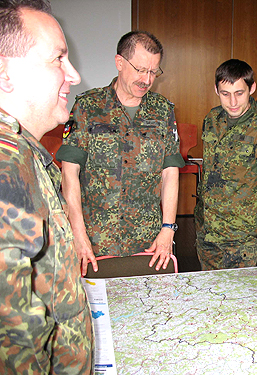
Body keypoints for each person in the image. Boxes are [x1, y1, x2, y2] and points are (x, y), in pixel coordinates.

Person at [0, 0, 93, 373]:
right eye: (58, 59)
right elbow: (13, 346)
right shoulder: (6, 167)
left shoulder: (25, 155)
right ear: (5, 71)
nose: (74, 75)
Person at [57, 31, 185, 276]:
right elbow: (69, 173)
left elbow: (170, 173)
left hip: (149, 241)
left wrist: (168, 228)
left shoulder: (162, 111)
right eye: (140, 69)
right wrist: (78, 233)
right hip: (95, 241)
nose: (146, 79)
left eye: (153, 72)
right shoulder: (87, 106)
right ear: (119, 62)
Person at [195, 59, 257, 270]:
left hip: (239, 239)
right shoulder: (212, 119)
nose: (233, 102)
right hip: (207, 232)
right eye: (225, 93)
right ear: (216, 89)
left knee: (237, 299)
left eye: (239, 93)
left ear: (252, 88)